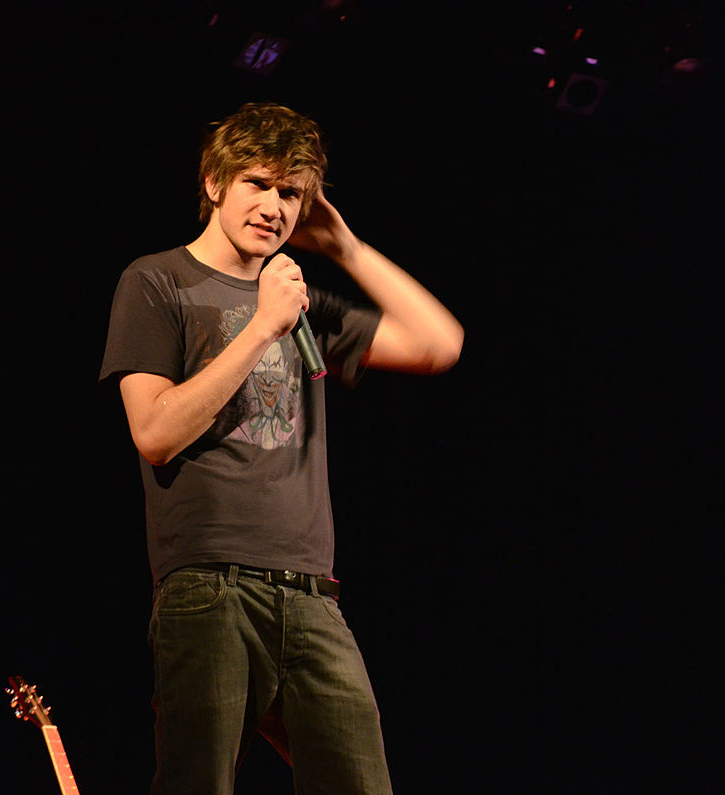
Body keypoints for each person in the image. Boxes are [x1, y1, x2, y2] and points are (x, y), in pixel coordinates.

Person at [99, 101, 463, 795]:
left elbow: (438, 343)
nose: (274, 206)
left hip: (312, 595)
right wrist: (263, 326)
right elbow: (154, 432)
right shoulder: (157, 281)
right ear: (214, 183)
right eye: (258, 184)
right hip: (210, 586)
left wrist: (346, 248)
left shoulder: (298, 303)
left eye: (291, 192)